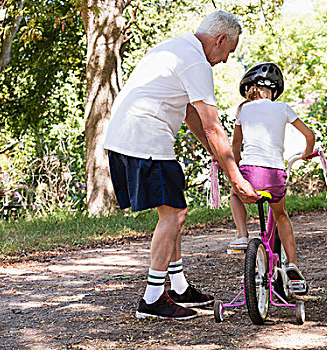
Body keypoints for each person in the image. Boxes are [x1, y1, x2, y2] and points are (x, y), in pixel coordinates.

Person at [103, 10, 260, 320]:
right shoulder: (197, 62)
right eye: (228, 51)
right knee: (174, 214)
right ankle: (152, 300)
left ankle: (176, 286)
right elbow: (213, 126)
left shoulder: (176, 48)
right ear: (219, 40)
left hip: (124, 137)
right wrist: (236, 177)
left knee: (172, 210)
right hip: (144, 139)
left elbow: (191, 114)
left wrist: (219, 155)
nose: (226, 60)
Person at [228, 62, 316, 289]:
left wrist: (236, 170)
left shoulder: (243, 110)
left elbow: (236, 143)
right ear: (274, 91)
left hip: (250, 174)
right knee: (281, 216)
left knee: (235, 195)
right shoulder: (283, 108)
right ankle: (293, 264)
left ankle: (241, 235)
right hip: (275, 175)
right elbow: (309, 134)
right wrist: (307, 153)